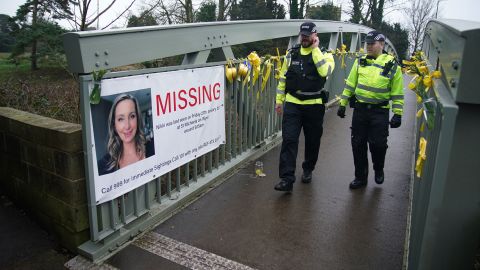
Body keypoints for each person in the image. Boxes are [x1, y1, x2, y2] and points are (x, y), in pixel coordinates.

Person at [336, 31, 404, 189]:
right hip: (360, 110)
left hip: (379, 112)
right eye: (367, 44)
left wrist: (398, 114)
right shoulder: (360, 61)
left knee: (378, 144)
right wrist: (342, 103)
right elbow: (350, 84)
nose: (368, 47)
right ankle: (360, 177)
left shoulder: (392, 64)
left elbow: (397, 93)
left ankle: (378, 168)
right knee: (357, 144)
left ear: (381, 44)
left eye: (372, 44)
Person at [274, 21, 335, 192]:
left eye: (308, 36)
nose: (305, 38)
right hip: (293, 104)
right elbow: (283, 79)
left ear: (315, 36)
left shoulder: (325, 54)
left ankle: (308, 169)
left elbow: (325, 72)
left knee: (312, 141)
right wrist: (279, 100)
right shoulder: (292, 54)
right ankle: (287, 178)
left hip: (314, 106)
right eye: (303, 35)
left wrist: (315, 50)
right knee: (289, 139)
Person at [98, 94, 154, 175]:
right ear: (114, 125)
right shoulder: (103, 166)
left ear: (137, 119)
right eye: (120, 119)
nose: (127, 126)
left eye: (132, 116)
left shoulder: (153, 147)